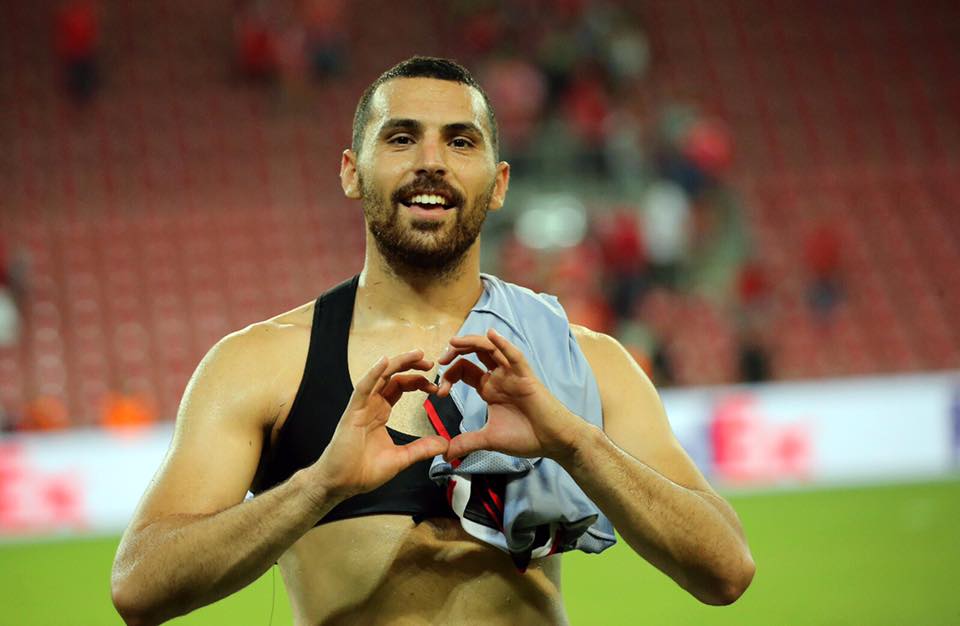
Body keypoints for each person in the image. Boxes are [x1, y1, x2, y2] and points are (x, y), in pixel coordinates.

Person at [111, 56, 754, 625]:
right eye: (400, 138)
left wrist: (575, 443)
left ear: (499, 184)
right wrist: (319, 487)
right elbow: (139, 587)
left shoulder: (583, 359)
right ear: (351, 172)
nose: (431, 161)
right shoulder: (262, 363)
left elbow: (725, 571)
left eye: (460, 141)